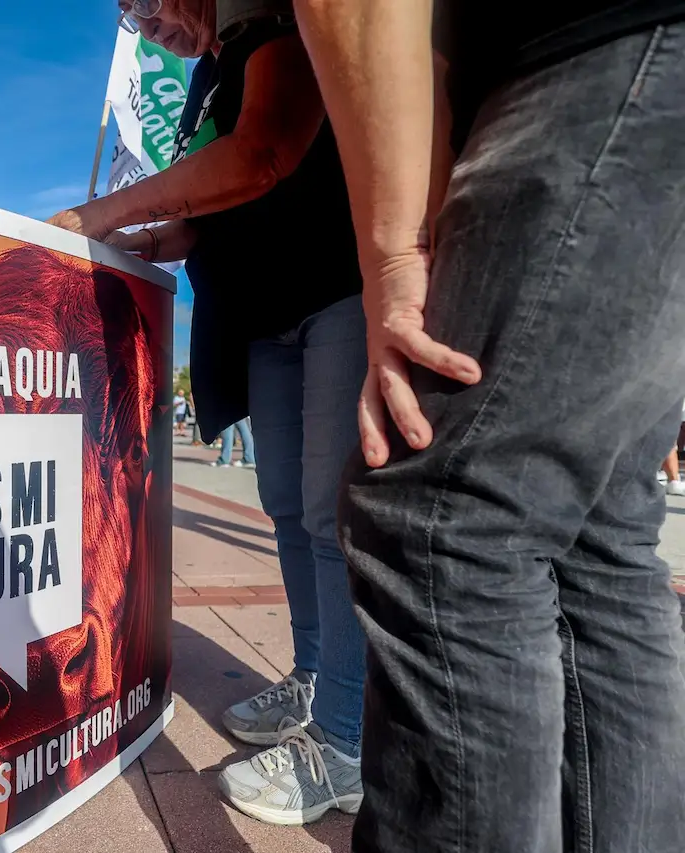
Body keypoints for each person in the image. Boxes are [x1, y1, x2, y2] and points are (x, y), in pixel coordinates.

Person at [293, 0, 685, 850]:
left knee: (444, 522)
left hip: (597, 64)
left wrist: (398, 261)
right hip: (648, 81)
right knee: (599, 539)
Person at [50, 0, 367, 825]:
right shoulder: (206, 76)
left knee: (335, 518)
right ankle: (311, 673)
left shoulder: (275, 28)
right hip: (260, 313)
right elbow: (217, 207)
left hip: (332, 290)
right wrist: (155, 240)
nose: (150, 23)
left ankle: (345, 741)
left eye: (153, 3)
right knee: (288, 510)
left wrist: (102, 215)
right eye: (134, 18)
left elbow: (262, 155)